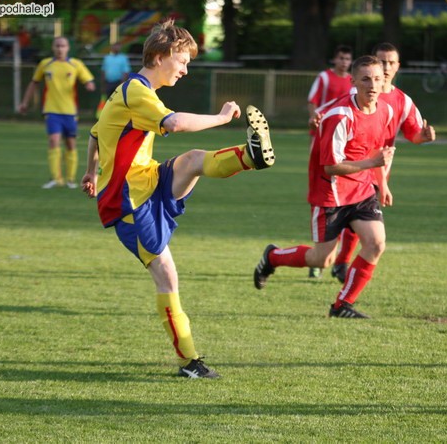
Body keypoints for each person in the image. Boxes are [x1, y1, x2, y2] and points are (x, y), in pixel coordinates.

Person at [81, 19, 276, 378]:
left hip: (147, 179)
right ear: (159, 56)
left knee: (192, 160)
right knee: (167, 278)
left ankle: (251, 156)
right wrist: (221, 118)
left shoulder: (132, 91)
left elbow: (95, 133)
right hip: (128, 202)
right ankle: (189, 362)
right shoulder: (136, 92)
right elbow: (174, 123)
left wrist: (91, 171)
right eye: (182, 61)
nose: (185, 70)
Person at [254, 55, 394, 318]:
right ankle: (272, 257)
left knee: (376, 244)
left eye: (377, 79)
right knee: (321, 259)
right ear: (353, 82)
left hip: (362, 191)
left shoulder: (385, 110)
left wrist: (382, 183)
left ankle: (341, 305)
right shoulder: (340, 116)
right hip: (331, 194)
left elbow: (377, 150)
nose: (372, 85)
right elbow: (331, 167)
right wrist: (371, 164)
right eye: (365, 79)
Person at [331, 42, 435, 284]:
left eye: (391, 63)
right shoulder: (356, 94)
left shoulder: (402, 101)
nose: (386, 67)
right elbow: (329, 113)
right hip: (350, 170)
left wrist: (424, 136)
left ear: (398, 66)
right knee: (355, 223)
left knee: (363, 224)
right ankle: (336, 261)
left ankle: (340, 263)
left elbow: (414, 134)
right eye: (382, 62)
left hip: (378, 170)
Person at [19, 36, 96, 189]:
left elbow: (89, 82)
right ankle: (56, 178)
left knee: (70, 144)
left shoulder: (75, 64)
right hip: (51, 110)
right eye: (57, 46)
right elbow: (34, 83)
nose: (60, 49)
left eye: (63, 46)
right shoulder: (45, 64)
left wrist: (89, 85)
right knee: (53, 141)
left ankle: (71, 179)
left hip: (70, 111)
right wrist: (25, 102)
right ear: (53, 48)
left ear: (68, 48)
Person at [306, 44, 353, 277]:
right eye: (341, 58)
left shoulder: (355, 82)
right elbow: (313, 102)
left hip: (345, 145)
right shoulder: (324, 77)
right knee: (323, 194)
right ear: (335, 59)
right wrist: (314, 120)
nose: (344, 62)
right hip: (322, 138)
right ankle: (318, 257)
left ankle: (337, 260)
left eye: (348, 59)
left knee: (347, 201)